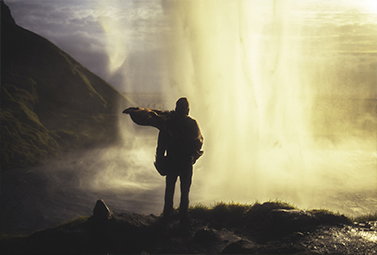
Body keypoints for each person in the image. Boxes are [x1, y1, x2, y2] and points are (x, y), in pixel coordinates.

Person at [123, 97, 203, 224]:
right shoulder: (190, 123)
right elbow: (198, 143)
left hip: (173, 161)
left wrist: (160, 160)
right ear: (188, 110)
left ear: (177, 107)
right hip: (185, 162)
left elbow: (160, 141)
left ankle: (168, 215)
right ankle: (183, 216)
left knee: (171, 190)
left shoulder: (168, 121)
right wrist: (193, 157)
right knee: (184, 190)